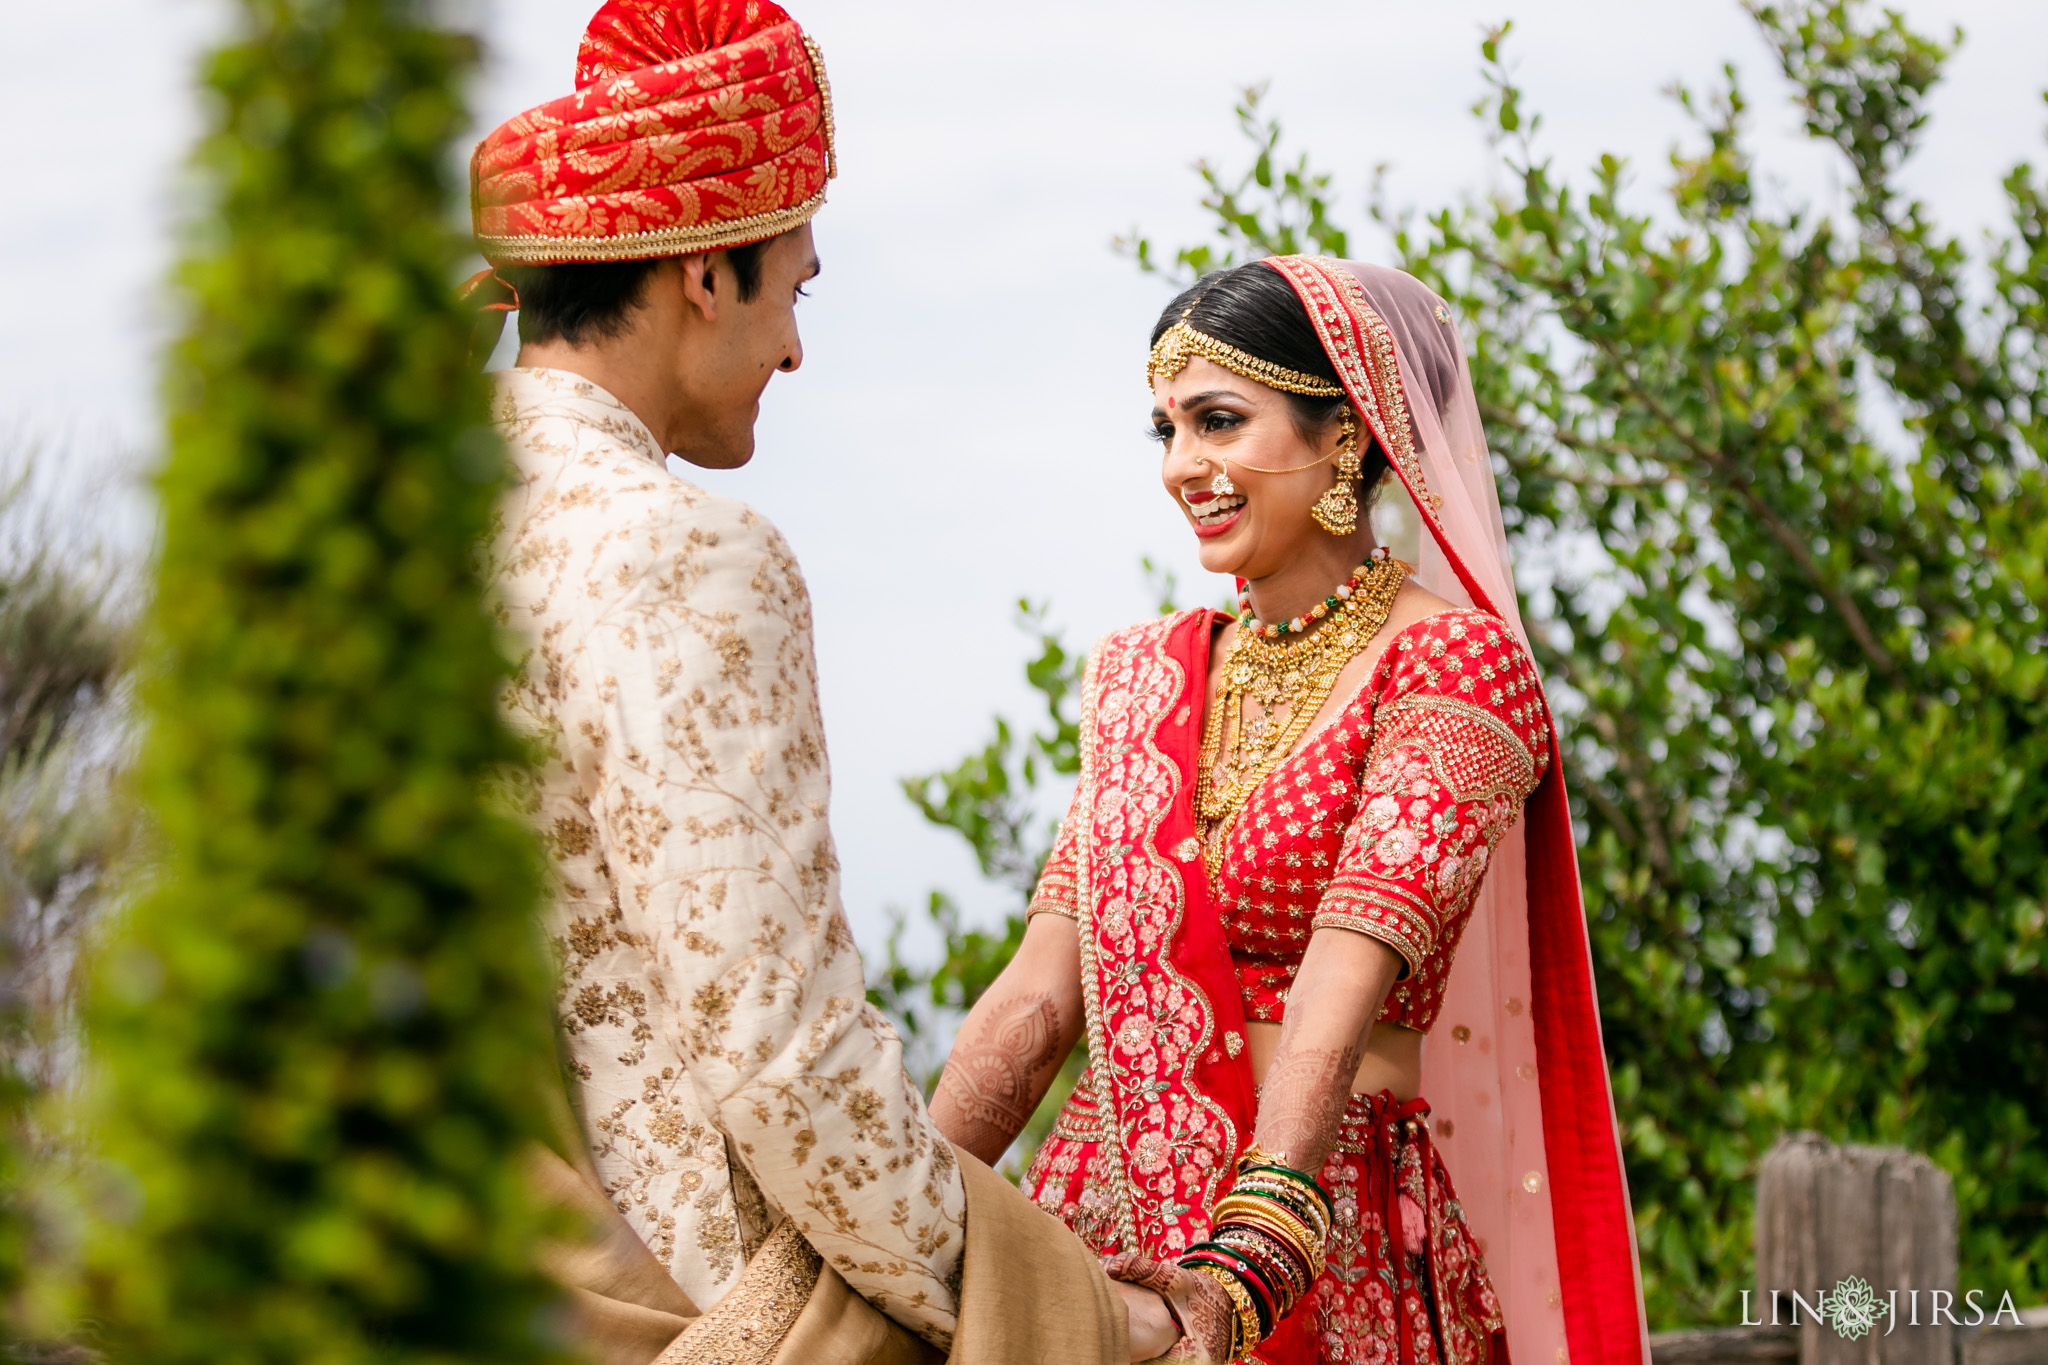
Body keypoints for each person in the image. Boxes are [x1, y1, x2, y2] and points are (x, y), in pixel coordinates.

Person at [471, 3, 1164, 1360]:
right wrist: (1081, 1309)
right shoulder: (680, 545)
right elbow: (785, 1066)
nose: (795, 349)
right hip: (689, 1301)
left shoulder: (395, 524)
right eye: (796, 286)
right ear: (705, 276)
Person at [928, 257, 1650, 1365]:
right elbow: (1037, 1000)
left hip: (1316, 1229)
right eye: (1165, 431)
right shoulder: (1144, 681)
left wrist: (1251, 1251)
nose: (1184, 468)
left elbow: (1339, 980)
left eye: (1218, 421)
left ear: (1345, 438)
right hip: (1096, 1232)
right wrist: (896, 1208)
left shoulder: (1450, 665)